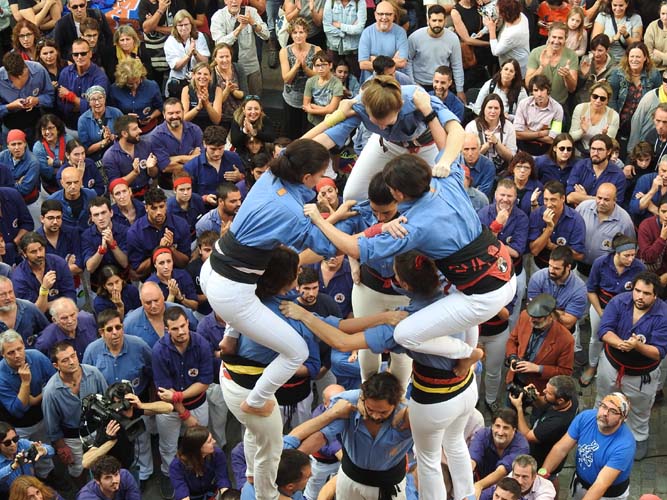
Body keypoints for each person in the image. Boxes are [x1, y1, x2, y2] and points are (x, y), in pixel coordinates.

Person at [305, 154, 516, 366]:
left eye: (386, 210)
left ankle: (468, 354)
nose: (379, 217)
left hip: (483, 296)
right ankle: (469, 355)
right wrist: (444, 158)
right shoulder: (445, 181)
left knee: (404, 335)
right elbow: (451, 139)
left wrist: (321, 220)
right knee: (462, 312)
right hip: (504, 273)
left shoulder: (411, 227)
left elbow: (353, 248)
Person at [305, 75, 463, 201]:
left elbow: (456, 130)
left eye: (387, 122)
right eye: (376, 122)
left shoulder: (417, 97)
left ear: (399, 106)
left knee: (446, 195)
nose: (381, 127)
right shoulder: (360, 104)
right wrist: (300, 153)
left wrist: (445, 161)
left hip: (427, 146)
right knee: (352, 196)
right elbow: (327, 138)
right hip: (387, 144)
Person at [595, 271, 667, 461]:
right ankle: (599, 428)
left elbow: (659, 351)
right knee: (603, 398)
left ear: (655, 295)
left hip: (641, 375)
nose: (640, 296)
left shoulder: (663, 314)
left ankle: (639, 437)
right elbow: (604, 329)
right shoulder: (619, 301)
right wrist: (620, 343)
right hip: (611, 364)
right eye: (637, 291)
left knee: (640, 409)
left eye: (646, 293)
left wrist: (637, 346)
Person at [152, 306, 213, 498]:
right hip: (169, 408)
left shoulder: (201, 344)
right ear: (167, 330)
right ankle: (169, 475)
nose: (181, 332)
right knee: (168, 445)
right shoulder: (159, 350)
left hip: (197, 403)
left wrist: (178, 396)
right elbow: (165, 392)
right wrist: (184, 414)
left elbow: (204, 382)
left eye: (183, 326)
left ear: (187, 322)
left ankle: (199, 472)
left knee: (200, 442)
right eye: (175, 328)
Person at [540, 392, 635, 500]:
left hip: (607, 496)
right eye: (603, 406)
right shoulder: (585, 418)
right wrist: (542, 476)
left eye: (613, 411)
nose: (605, 413)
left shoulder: (625, 445)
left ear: (622, 418)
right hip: (580, 484)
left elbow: (601, 484)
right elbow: (560, 449)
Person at [582, 234, 645, 386]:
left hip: (626, 311)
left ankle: (614, 367)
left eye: (633, 255)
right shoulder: (600, 263)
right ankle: (592, 366)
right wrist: (600, 312)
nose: (631, 259)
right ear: (616, 253)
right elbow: (591, 290)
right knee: (596, 338)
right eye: (626, 255)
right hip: (601, 306)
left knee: (621, 339)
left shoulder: (639, 268)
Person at [41, 342, 108, 484]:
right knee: (77, 470)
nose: (72, 362)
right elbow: (52, 426)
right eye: (65, 360)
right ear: (56, 365)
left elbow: (107, 400)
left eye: (73, 356)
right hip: (72, 437)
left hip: (97, 428)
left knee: (103, 464)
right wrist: (62, 448)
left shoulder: (94, 373)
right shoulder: (51, 392)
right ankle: (82, 491)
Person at [0, 331, 55, 480]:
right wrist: (25, 383)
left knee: (44, 453)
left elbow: (55, 382)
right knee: (22, 459)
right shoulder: (1, 375)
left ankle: (48, 478)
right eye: (11, 352)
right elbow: (18, 410)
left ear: (24, 345)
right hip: (19, 427)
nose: (17, 355)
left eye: (19, 349)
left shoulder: (36, 357)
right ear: (3, 355)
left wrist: (36, 399)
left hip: (43, 417)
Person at [505, 293, 574, 393]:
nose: (531, 320)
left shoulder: (566, 339)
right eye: (531, 315)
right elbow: (512, 340)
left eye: (538, 317)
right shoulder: (524, 316)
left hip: (538, 388)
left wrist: (538, 369)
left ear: (551, 316)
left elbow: (565, 372)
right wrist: (512, 357)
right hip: (514, 380)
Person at [509, 377, 578, 477]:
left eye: (548, 393)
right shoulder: (570, 400)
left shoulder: (556, 424)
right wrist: (534, 396)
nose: (544, 391)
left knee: (549, 477)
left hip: (542, 458)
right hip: (545, 440)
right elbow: (544, 403)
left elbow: (527, 435)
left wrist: (519, 407)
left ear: (560, 400)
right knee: (553, 477)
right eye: (546, 388)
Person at [126, 187, 191, 278]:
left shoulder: (181, 225)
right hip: (150, 278)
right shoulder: (134, 232)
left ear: (166, 205)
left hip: (177, 274)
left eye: (161, 206)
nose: (159, 212)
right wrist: (159, 250)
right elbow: (138, 269)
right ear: (146, 208)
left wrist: (171, 249)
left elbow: (185, 262)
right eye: (154, 208)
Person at [575, 183, 635, 278]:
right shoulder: (583, 208)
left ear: (615, 200)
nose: (601, 202)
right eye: (599, 198)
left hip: (605, 273)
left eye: (606, 200)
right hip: (577, 267)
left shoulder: (625, 221)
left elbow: (629, 249)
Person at [608, 42, 661, 148]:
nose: (634, 60)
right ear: (627, 58)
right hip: (621, 124)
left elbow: (658, 97)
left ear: (645, 58)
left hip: (643, 125)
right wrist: (615, 121)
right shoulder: (617, 73)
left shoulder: (653, 74)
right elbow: (612, 99)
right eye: (632, 56)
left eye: (638, 57)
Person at [210, 0, 268, 96]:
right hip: (228, 70)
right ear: (225, 1)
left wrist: (253, 23)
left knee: (254, 100)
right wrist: (239, 28)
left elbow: (266, 35)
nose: (234, 1)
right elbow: (220, 44)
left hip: (251, 68)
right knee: (232, 102)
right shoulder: (218, 17)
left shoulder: (251, 12)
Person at [469, 409, 530, 498]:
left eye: (506, 428)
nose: (500, 432)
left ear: (514, 430)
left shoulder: (522, 446)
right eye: (497, 426)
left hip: (506, 491)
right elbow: (471, 461)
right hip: (480, 483)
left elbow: (502, 471)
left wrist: (479, 485)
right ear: (492, 426)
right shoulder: (482, 435)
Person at [407, 5, 464, 100]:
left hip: (442, 86)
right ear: (428, 20)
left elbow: (457, 65)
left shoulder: (453, 38)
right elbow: (408, 61)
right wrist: (413, 84)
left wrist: (460, 90)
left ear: (445, 21)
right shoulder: (415, 37)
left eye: (440, 21)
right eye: (434, 20)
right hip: (419, 84)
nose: (437, 24)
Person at [528, 180, 586, 270]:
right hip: (539, 267)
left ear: (563, 198)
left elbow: (579, 255)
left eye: (553, 200)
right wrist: (549, 229)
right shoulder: (536, 214)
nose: (548, 204)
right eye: (546, 199)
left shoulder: (576, 220)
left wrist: (552, 246)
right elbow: (534, 251)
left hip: (565, 270)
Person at [12, 232, 75, 314]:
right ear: (24, 254)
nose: (39, 254)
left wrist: (47, 305)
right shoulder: (19, 277)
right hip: (38, 320)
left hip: (64, 313)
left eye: (41, 249)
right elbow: (34, 312)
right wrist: (44, 289)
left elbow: (71, 298)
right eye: (33, 252)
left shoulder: (59, 263)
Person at [279, 17, 322, 139]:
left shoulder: (316, 50)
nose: (298, 36)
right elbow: (286, 79)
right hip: (291, 99)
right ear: (291, 34)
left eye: (301, 32)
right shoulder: (284, 51)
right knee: (291, 133)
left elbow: (318, 77)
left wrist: (305, 68)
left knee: (308, 134)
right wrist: (297, 66)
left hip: (310, 99)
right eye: (295, 32)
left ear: (306, 33)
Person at [150, 98, 203, 192]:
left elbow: (202, 160)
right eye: (170, 113)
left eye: (178, 112)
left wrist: (176, 159)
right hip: (168, 187)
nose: (175, 116)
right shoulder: (156, 136)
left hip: (194, 185)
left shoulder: (195, 130)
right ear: (164, 114)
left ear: (183, 112)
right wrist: (191, 159)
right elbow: (165, 167)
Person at [56, 38, 109, 131]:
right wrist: (81, 104)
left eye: (83, 53)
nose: (79, 57)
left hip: (93, 127)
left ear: (90, 54)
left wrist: (71, 97)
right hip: (69, 126)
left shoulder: (100, 76)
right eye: (76, 54)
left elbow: (97, 105)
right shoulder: (65, 73)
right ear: (72, 56)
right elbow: (61, 104)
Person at [0, 52, 54, 144]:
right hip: (9, 126)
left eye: (23, 73)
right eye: (15, 77)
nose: (20, 78)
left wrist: (37, 100)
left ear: (25, 65)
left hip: (36, 124)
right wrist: (9, 106)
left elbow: (51, 96)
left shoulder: (39, 70)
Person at [103, 115, 158, 201]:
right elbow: (115, 185)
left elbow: (154, 175)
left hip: (148, 192)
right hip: (125, 197)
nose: (140, 131)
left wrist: (151, 168)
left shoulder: (146, 145)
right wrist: (134, 173)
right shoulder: (110, 156)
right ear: (124, 134)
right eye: (135, 129)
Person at [169, 425, 230, 500]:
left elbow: (222, 478)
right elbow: (181, 491)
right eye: (209, 441)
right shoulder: (176, 466)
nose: (214, 441)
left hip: (212, 493)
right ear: (198, 447)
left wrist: (227, 496)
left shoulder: (217, 454)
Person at [524, 22, 578, 105]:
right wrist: (541, 67)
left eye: (560, 38)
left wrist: (567, 75)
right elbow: (528, 84)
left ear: (565, 39)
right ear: (549, 37)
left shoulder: (572, 55)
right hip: (536, 103)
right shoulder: (536, 52)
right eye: (554, 37)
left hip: (559, 104)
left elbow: (572, 89)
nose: (556, 41)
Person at [184, 125, 244, 199]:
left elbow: (247, 183)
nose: (217, 153)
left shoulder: (234, 158)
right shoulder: (192, 167)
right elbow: (188, 195)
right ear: (204, 144)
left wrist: (240, 177)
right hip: (204, 206)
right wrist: (204, 199)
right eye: (213, 149)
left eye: (220, 148)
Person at [566, 135, 627, 206]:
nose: (595, 153)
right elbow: (570, 197)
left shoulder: (618, 175)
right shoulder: (580, 166)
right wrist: (600, 199)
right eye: (593, 149)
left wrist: (583, 198)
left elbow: (614, 205)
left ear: (608, 151)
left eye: (600, 150)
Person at [464, 93, 517, 173]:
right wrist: (486, 146)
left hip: (502, 172)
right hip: (477, 170)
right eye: (490, 108)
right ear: (483, 109)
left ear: (501, 110)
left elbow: (511, 158)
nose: (493, 111)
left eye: (496, 108)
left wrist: (497, 143)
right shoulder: (471, 127)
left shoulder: (509, 126)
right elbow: (468, 156)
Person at [514, 75, 564, 157]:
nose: (539, 94)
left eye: (542, 90)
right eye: (536, 90)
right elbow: (517, 134)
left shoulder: (557, 109)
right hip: (523, 149)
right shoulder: (523, 104)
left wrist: (528, 132)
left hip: (545, 151)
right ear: (532, 92)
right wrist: (540, 134)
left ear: (548, 90)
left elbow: (552, 139)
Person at [109, 60, 163, 135]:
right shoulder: (115, 89)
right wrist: (125, 118)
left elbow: (160, 107)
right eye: (130, 84)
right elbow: (111, 113)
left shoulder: (152, 86)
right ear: (123, 80)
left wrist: (151, 117)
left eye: (137, 82)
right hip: (126, 132)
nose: (135, 86)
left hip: (149, 130)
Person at [164, 9, 209, 97]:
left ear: (191, 25)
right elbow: (176, 66)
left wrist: (195, 52)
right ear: (175, 27)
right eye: (180, 25)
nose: (184, 28)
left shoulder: (199, 36)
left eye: (186, 24)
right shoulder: (170, 41)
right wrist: (188, 55)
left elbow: (205, 62)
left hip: (197, 80)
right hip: (178, 82)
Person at [0, 422, 54, 494]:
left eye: (15, 439)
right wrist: (12, 467)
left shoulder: (22, 443)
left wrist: (44, 450)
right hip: (10, 494)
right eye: (7, 442)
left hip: (33, 485)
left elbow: (51, 450)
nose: (13, 444)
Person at [0, 130, 41, 223]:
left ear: (25, 144)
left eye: (19, 143)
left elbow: (24, 190)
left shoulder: (33, 162)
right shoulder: (2, 156)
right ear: (8, 146)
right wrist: (16, 183)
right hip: (7, 203)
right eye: (13, 144)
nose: (17, 148)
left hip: (29, 203)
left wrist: (4, 183)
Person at [569, 82, 619, 156]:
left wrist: (604, 137)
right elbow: (571, 138)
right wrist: (582, 131)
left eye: (602, 99)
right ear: (590, 96)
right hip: (579, 152)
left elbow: (610, 145)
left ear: (607, 101)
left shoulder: (613, 116)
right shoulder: (581, 108)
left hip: (599, 155)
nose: (598, 101)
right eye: (595, 96)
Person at [37, 200, 82, 280]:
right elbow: (38, 271)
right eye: (50, 218)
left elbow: (79, 266)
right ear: (42, 219)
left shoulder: (72, 233)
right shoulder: (35, 239)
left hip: (72, 283)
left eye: (58, 217)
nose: (55, 222)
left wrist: (53, 272)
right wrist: (67, 267)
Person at [485, 0, 530, 78]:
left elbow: (495, 51)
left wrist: (491, 30)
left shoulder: (513, 33)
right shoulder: (521, 16)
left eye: (499, 12)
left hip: (515, 67)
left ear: (506, 14)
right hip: (516, 58)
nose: (498, 13)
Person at [322, 0, 366, 76]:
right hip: (334, 48)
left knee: (354, 77)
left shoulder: (360, 2)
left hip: (353, 50)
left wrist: (340, 26)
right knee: (332, 76)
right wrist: (343, 33)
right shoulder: (331, 2)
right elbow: (326, 27)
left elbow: (359, 29)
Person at [210, 43, 246, 136]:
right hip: (222, 118)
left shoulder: (238, 68)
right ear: (215, 58)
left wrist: (233, 91)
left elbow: (245, 94)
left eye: (227, 56)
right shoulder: (211, 73)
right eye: (221, 57)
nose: (225, 60)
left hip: (239, 117)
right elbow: (214, 101)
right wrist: (227, 90)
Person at [33, 115, 73, 197]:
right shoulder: (38, 147)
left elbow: (74, 163)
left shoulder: (68, 139)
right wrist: (65, 164)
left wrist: (55, 163)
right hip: (50, 187)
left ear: (58, 128)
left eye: (51, 128)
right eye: (44, 129)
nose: (47, 132)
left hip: (72, 182)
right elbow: (47, 174)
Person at [0, 279, 48, 347]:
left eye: (10, 292)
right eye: (2, 295)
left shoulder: (29, 308)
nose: (8, 297)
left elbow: (47, 331)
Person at [303, 51, 344, 127]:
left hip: (329, 122)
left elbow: (331, 109)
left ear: (330, 65)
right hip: (312, 121)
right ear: (314, 67)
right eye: (317, 65)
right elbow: (306, 104)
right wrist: (326, 109)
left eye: (324, 65)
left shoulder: (337, 83)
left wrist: (312, 109)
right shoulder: (311, 81)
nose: (321, 68)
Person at [181, 62, 223, 131]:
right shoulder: (186, 90)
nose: (202, 77)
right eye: (199, 73)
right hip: (192, 128)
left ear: (210, 77)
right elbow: (184, 119)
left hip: (210, 129)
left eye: (206, 74)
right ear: (193, 75)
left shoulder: (217, 90)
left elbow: (217, 120)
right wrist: (198, 108)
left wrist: (206, 103)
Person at [575, 34, 614, 106]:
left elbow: (611, 93)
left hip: (600, 104)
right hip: (581, 102)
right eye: (594, 50)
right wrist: (583, 75)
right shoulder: (585, 60)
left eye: (600, 50)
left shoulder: (614, 67)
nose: (596, 54)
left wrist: (602, 85)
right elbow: (576, 87)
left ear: (607, 50)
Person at [504, 152, 544, 217]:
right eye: (519, 166)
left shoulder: (537, 187)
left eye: (526, 167)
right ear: (513, 168)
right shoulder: (504, 184)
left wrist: (534, 204)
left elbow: (539, 216)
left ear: (531, 171)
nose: (522, 170)